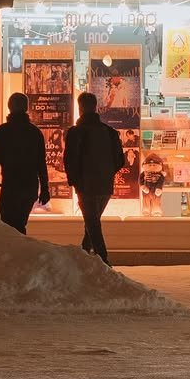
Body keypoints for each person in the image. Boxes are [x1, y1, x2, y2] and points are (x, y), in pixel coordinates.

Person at [64, 91, 124, 264]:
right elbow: (120, 160)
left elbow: (70, 159)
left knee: (92, 223)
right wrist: (106, 173)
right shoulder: (110, 132)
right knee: (92, 221)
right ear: (95, 107)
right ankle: (83, 256)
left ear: (80, 107)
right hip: (105, 185)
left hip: (85, 185)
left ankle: (103, 261)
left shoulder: (76, 132)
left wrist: (74, 181)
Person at [0, 91, 50, 234]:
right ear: (26, 108)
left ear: (9, 107)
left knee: (7, 226)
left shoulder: (4, 131)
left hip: (11, 186)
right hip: (29, 186)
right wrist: (45, 189)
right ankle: (21, 252)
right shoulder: (34, 132)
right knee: (20, 224)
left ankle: (15, 253)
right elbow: (41, 164)